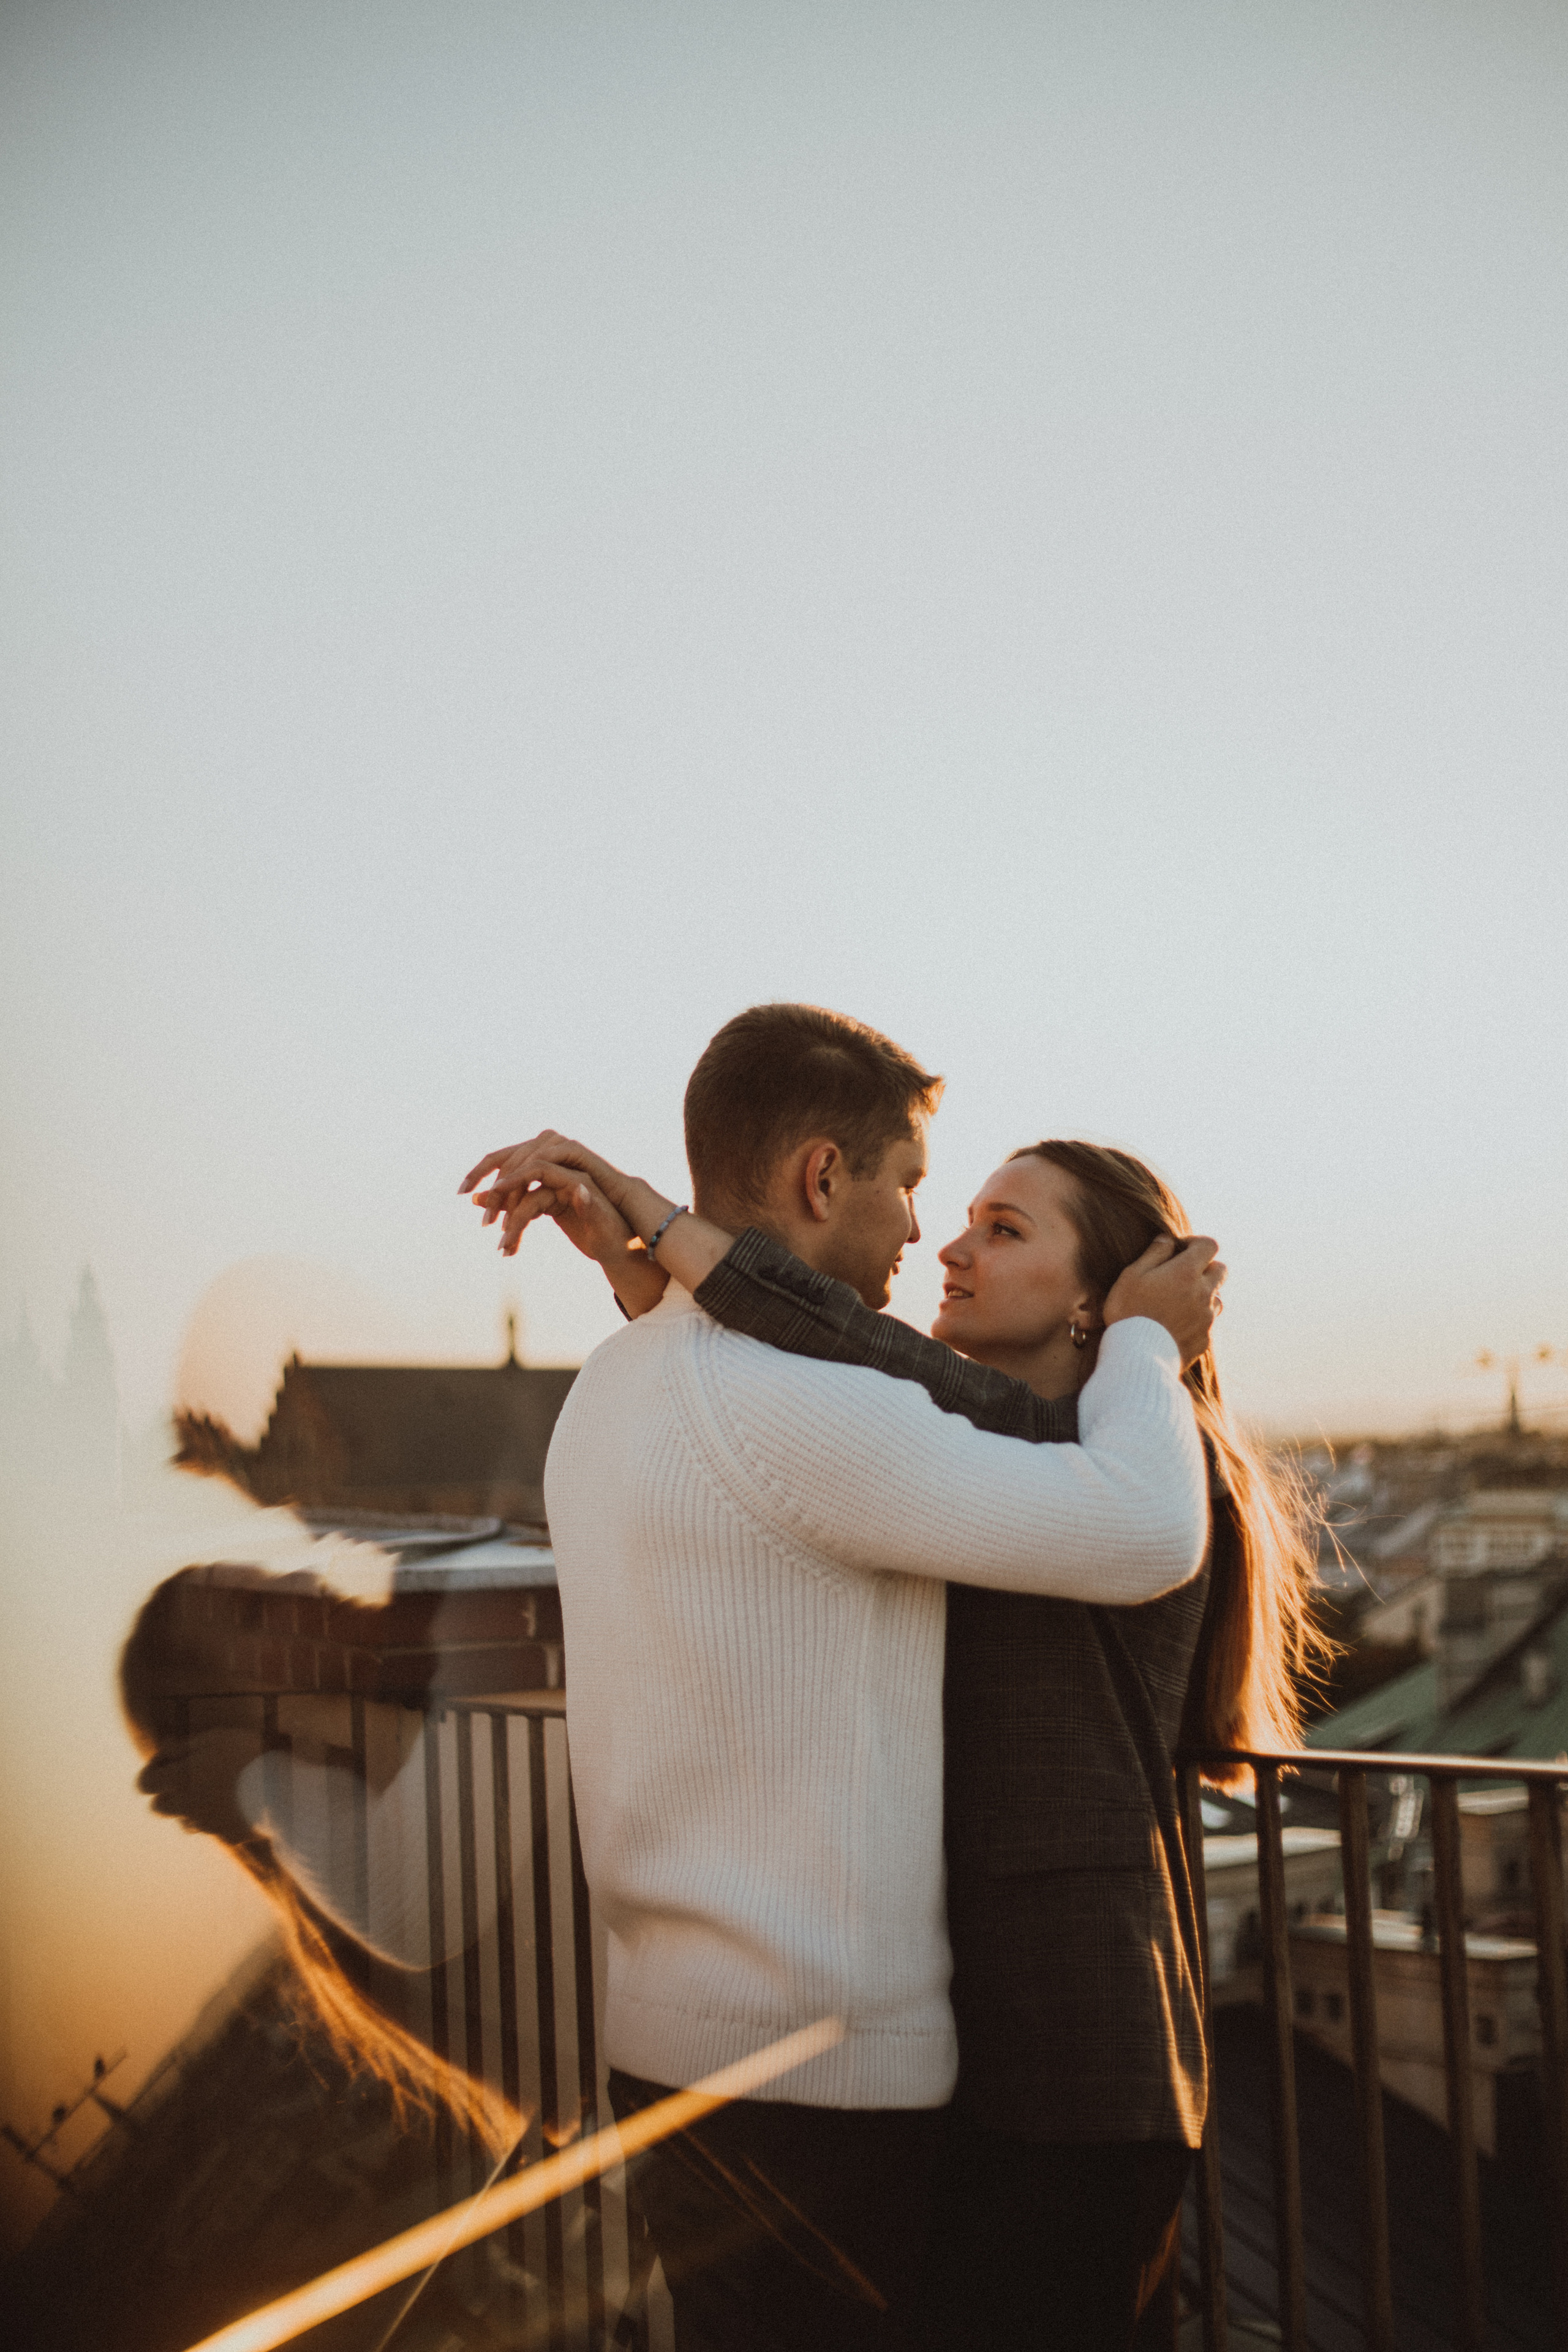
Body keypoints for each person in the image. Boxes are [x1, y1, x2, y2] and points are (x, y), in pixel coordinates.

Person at [461, 1002, 1226, 2352]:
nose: (927, 1234)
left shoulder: (609, 1389)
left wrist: (659, 1274)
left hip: (666, 2040)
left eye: (992, 1224)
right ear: (825, 1176)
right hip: (821, 2073)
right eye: (915, 1188)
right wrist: (1149, 1344)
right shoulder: (822, 1411)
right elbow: (1112, 1512)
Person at [121, 1564, 514, 2156]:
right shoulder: (379, 1891)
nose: (305, 1579)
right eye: (254, 1610)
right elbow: (487, 1771)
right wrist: (269, 1769)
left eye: (268, 1577)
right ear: (239, 1728)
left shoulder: (438, 1639)